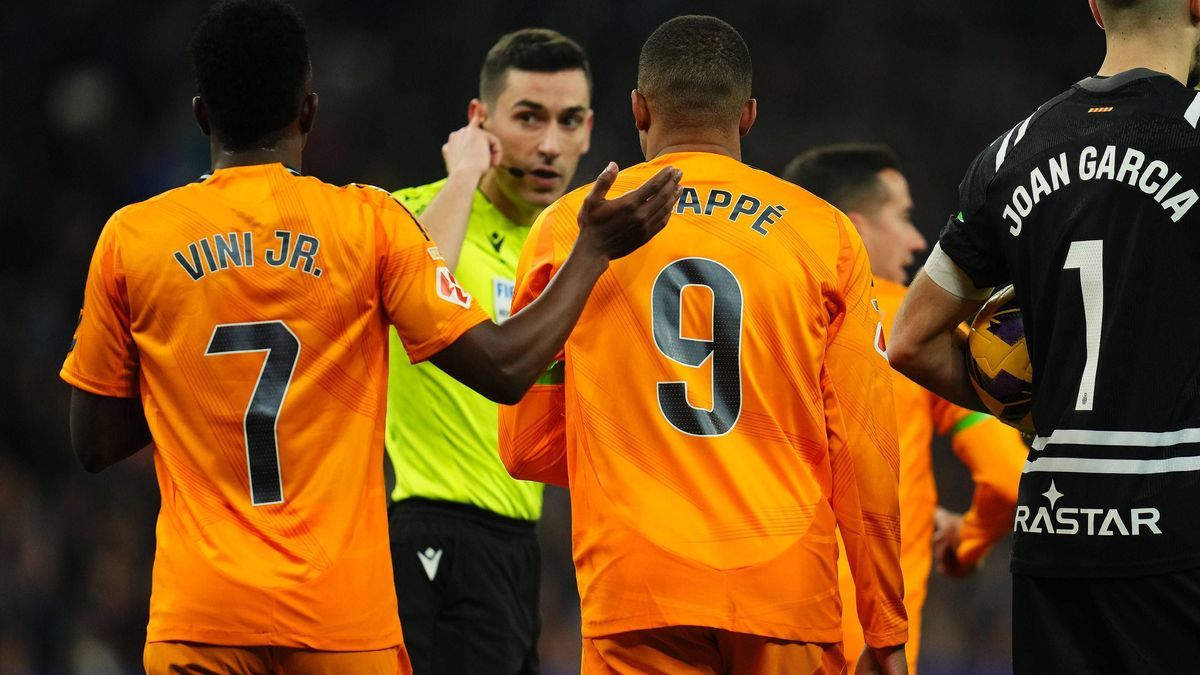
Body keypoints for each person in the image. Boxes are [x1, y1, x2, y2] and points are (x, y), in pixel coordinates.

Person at [59, 1, 681, 673]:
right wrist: (593, 250)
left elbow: (95, 444)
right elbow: (504, 368)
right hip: (342, 625)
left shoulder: (133, 238)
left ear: (203, 115)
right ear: (309, 112)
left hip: (200, 617)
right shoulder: (368, 225)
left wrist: (191, 386)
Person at [499, 15, 908, 675]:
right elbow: (862, 449)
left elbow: (527, 446)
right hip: (785, 588)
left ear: (638, 108)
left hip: (637, 587)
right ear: (747, 116)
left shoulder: (569, 226)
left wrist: (633, 447)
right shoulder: (823, 233)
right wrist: (884, 627)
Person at [888, 1, 1200, 671]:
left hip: (1053, 532)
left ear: (1094, 8)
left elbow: (909, 339)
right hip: (1178, 529)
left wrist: (1032, 402)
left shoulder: (1012, 150)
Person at [383, 29, 592, 674]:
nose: (550, 145)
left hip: (519, 546)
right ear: (481, 119)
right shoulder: (413, 215)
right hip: (431, 529)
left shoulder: (563, 247)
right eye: (529, 118)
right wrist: (466, 176)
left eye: (569, 121)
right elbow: (415, 296)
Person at [784, 144, 1027, 673]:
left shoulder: (762, 321)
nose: (919, 240)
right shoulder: (911, 333)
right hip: (870, 649)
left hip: (760, 634)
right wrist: (966, 543)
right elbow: (1009, 477)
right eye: (904, 216)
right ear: (854, 227)